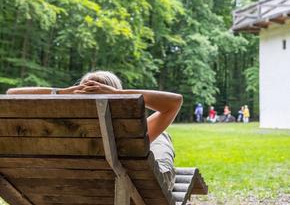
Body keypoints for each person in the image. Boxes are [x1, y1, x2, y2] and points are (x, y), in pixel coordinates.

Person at [6, 70, 182, 191]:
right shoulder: (128, 134)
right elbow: (175, 102)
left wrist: (62, 92)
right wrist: (119, 94)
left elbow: (12, 93)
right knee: (161, 137)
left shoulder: (61, 132)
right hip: (144, 187)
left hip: (76, 186)